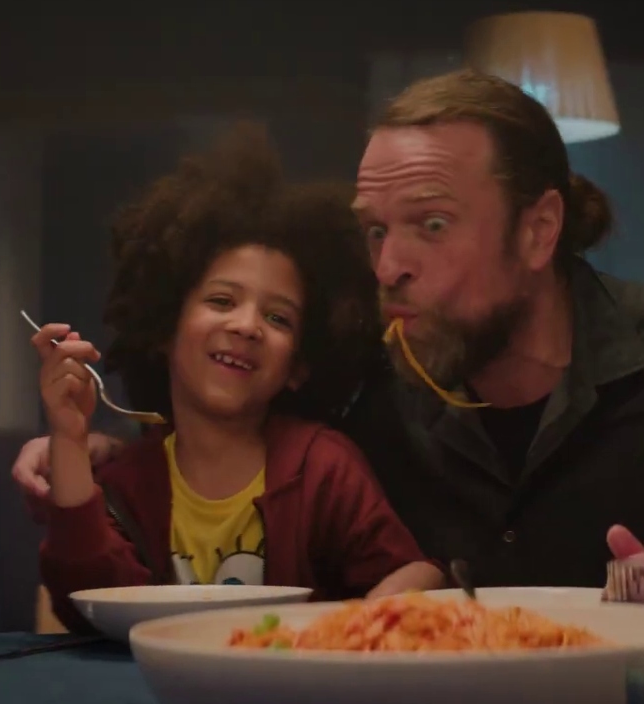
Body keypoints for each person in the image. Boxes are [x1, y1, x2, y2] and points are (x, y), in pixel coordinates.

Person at [14, 71, 644, 647]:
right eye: (376, 232)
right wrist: (93, 453)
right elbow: (234, 432)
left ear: (539, 229)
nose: (389, 266)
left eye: (432, 225)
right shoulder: (366, 382)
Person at [32, 123, 443, 633]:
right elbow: (88, 603)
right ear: (164, 327)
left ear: (299, 366)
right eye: (222, 300)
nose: (247, 326)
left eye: (278, 318)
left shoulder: (322, 468)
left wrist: (351, 629)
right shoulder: (128, 480)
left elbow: (417, 573)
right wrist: (68, 440)